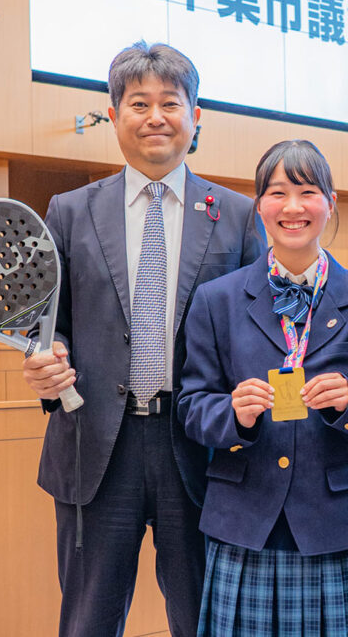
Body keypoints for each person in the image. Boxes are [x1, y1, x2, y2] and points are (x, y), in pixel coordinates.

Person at [22, 42, 265, 637]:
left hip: (202, 446)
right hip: (95, 445)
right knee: (89, 619)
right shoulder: (69, 211)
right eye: (138, 103)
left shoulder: (237, 216)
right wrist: (43, 357)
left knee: (207, 618)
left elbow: (258, 332)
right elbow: (48, 323)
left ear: (195, 116)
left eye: (170, 103)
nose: (155, 117)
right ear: (114, 115)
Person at [177, 139, 348, 636]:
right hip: (245, 518)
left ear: (330, 202)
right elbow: (192, 407)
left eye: (307, 192)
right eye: (278, 193)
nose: (293, 207)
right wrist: (233, 413)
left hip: (338, 521)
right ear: (259, 205)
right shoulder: (216, 300)